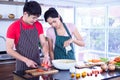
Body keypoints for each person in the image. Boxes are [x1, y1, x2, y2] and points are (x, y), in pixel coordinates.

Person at [6, 1, 50, 71]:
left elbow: (43, 43)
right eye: (33, 18)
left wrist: (46, 55)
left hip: (37, 65)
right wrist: (26, 60)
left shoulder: (38, 25)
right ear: (25, 13)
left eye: (37, 18)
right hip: (22, 66)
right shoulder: (14, 27)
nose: (35, 20)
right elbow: (9, 50)